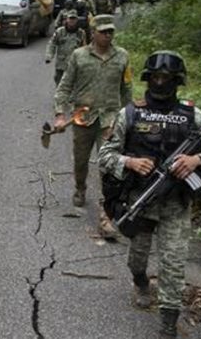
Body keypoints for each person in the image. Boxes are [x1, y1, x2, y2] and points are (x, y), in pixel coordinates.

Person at [98, 51, 201, 337]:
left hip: (176, 206)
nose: (160, 82)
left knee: (173, 265)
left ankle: (168, 324)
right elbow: (105, 155)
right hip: (140, 202)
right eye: (156, 77)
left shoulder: (196, 117)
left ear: (177, 81)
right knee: (136, 261)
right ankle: (141, 282)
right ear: (148, 78)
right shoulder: (129, 114)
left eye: (166, 78)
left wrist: (197, 160)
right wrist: (129, 162)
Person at [53, 14, 133, 238]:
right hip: (83, 118)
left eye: (111, 31)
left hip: (110, 119)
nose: (108, 35)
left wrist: (130, 117)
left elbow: (127, 89)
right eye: (103, 31)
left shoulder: (122, 56)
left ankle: (105, 215)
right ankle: (80, 187)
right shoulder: (79, 56)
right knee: (81, 160)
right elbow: (64, 86)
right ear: (93, 33)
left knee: (107, 165)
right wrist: (60, 114)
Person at [45, 10, 87, 86]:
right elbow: (52, 44)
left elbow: (84, 48)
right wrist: (49, 55)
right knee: (59, 84)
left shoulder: (81, 33)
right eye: (70, 18)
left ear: (77, 20)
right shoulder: (60, 32)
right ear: (66, 19)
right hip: (61, 65)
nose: (72, 21)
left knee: (74, 86)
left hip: (75, 65)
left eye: (74, 19)